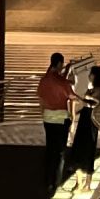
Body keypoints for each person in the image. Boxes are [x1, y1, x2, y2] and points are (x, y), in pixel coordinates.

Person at [68, 64, 100, 188]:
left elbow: (95, 103)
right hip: (85, 118)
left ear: (95, 75)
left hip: (91, 119)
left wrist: (81, 98)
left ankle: (87, 183)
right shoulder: (93, 88)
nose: (89, 76)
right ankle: (78, 181)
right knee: (78, 146)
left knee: (88, 147)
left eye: (90, 74)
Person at [37, 52, 74, 191]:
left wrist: (43, 113)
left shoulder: (44, 80)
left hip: (48, 117)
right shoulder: (62, 82)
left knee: (50, 149)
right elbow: (71, 95)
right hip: (61, 118)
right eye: (62, 64)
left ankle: (48, 181)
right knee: (60, 151)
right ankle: (57, 181)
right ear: (59, 64)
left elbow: (40, 97)